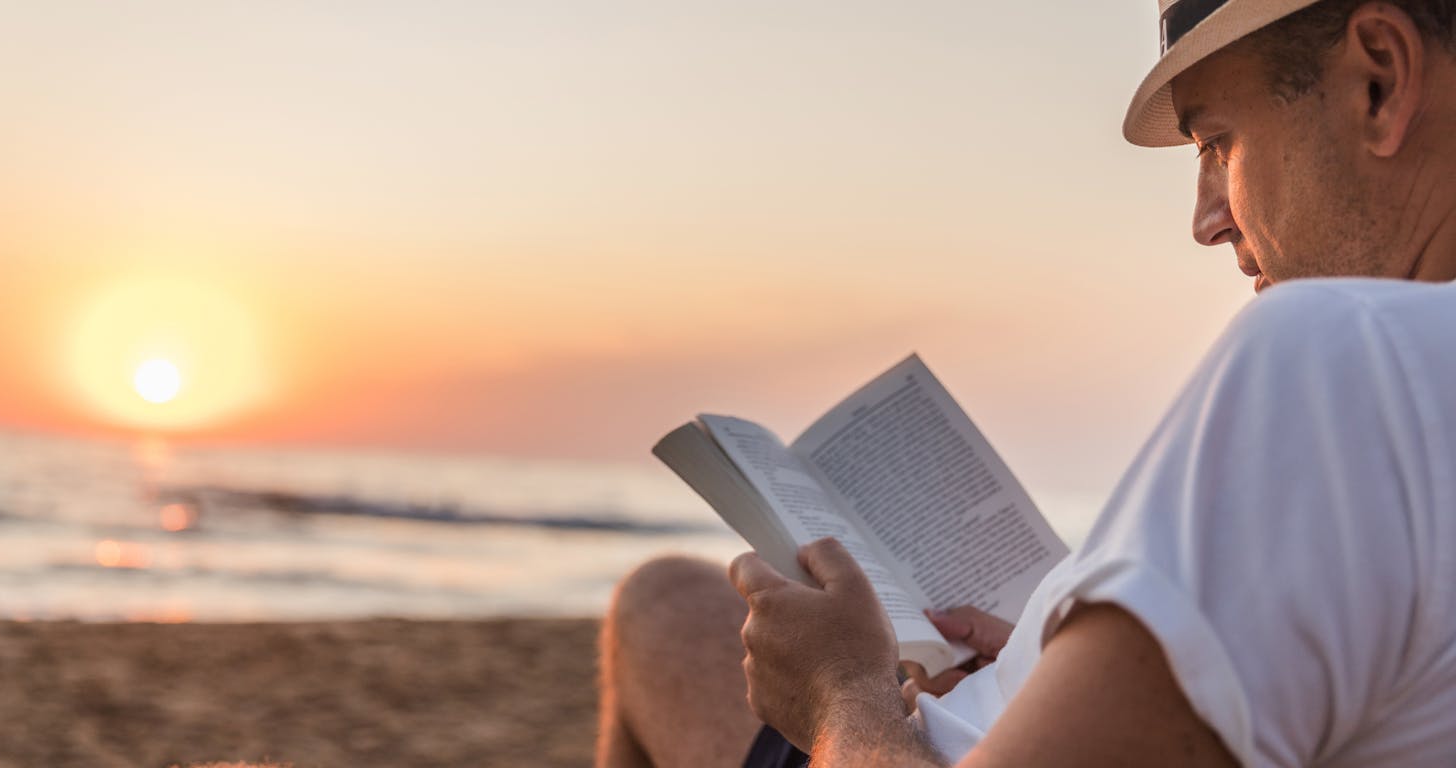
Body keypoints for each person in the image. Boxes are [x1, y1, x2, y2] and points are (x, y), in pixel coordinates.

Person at [597, 0, 1456, 765]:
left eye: (1217, 143)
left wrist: (838, 698)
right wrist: (1065, 661)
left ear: (1378, 80)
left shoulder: (1345, 355)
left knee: (658, 606)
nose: (1206, 220)